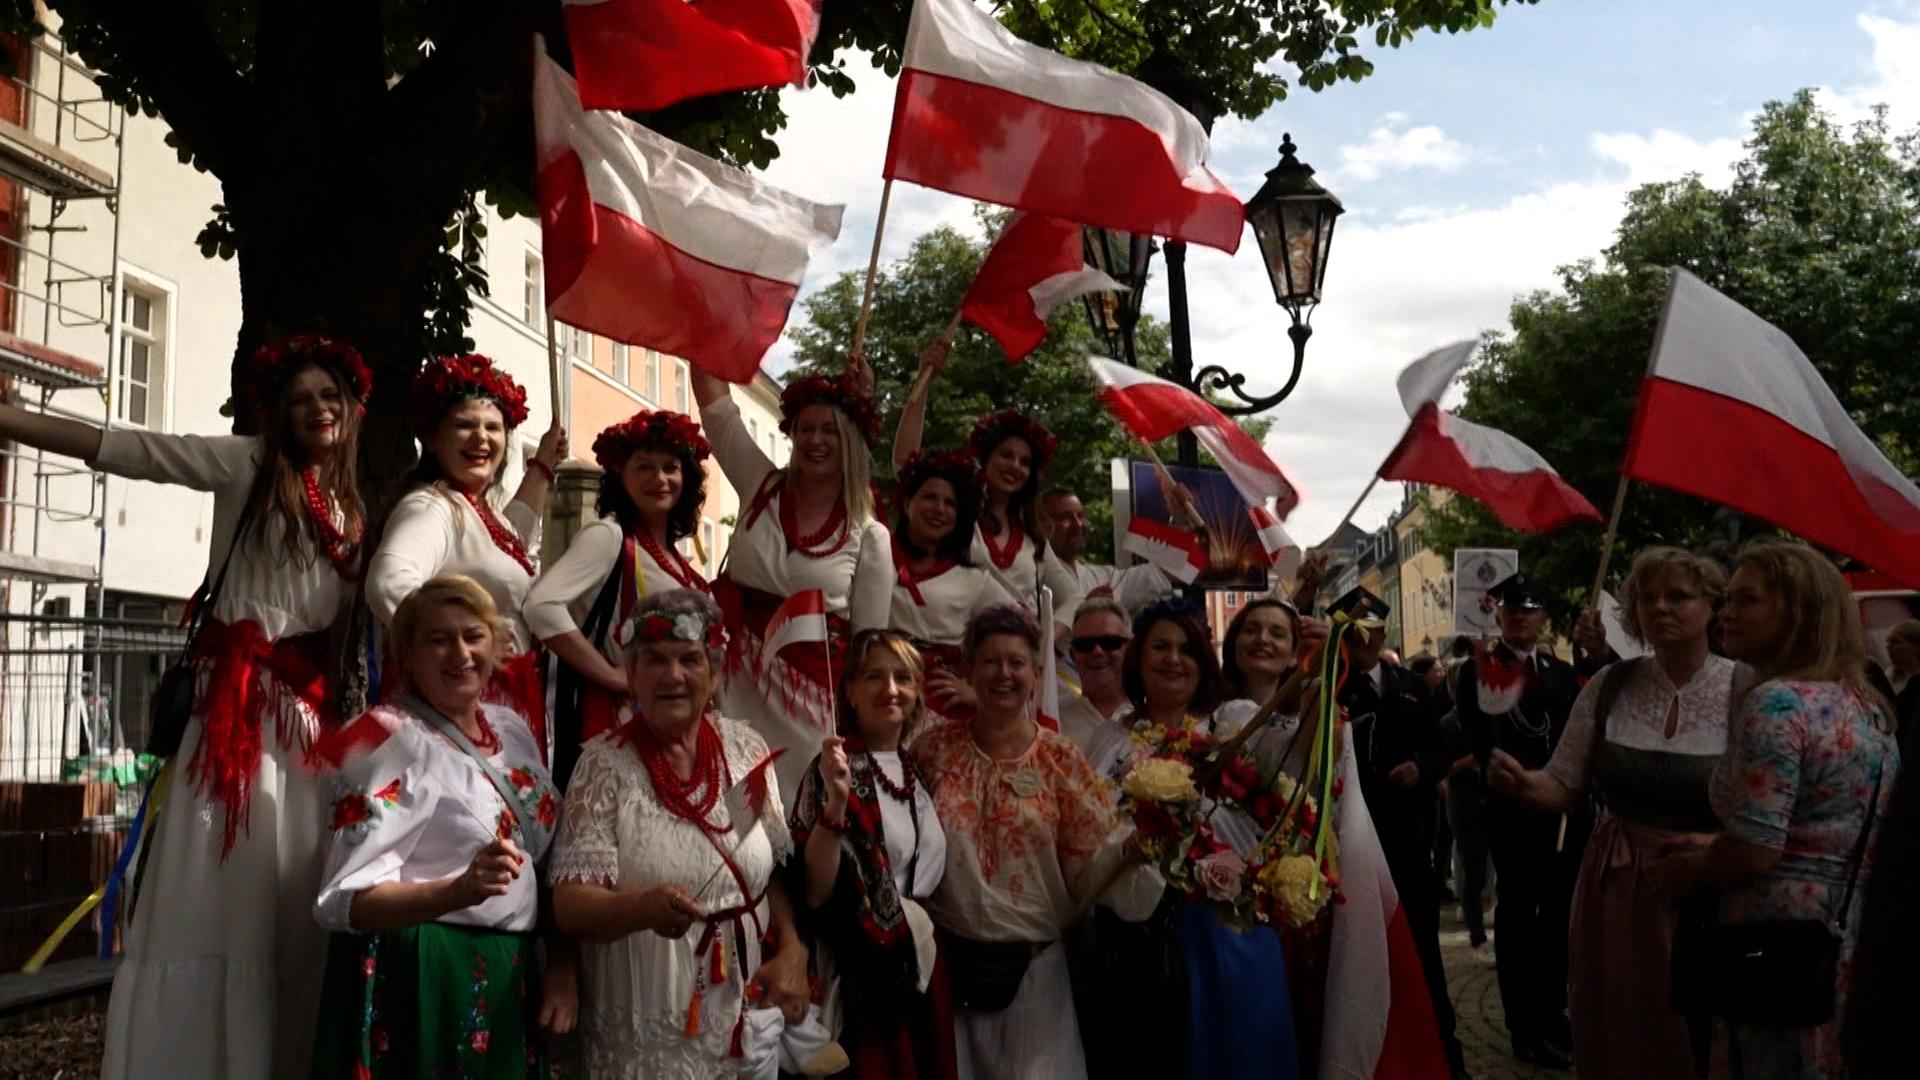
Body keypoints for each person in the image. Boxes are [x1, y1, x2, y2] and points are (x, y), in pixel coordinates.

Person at [0, 333, 373, 1079]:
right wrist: (12, 419)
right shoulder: (245, 465)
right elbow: (129, 448)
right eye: (300, 398)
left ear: (352, 406)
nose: (317, 408)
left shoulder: (355, 509)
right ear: (277, 412)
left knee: (290, 896)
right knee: (219, 890)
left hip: (302, 727)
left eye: (329, 395)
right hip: (235, 714)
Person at [1649, 540, 1899, 1080]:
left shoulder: (1778, 702)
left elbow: (1757, 853)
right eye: (1727, 599)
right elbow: (1822, 827)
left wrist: (1688, 870)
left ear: (1798, 610)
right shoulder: (1865, 704)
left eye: (1747, 600)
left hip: (1772, 943)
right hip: (1844, 932)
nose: (1725, 613)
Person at [1487, 547, 1738, 1079]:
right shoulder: (1611, 685)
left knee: (1700, 1033)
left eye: (1678, 596)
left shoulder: (1746, 689)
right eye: (1648, 597)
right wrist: (1524, 783)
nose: (1661, 607)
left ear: (1713, 606)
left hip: (1710, 888)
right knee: (1625, 1023)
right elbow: (1563, 784)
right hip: (1619, 889)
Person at [309, 576, 570, 1079]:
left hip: (509, 972)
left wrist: (562, 962)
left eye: (473, 636)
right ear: (407, 655)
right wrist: (456, 890)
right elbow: (342, 901)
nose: (461, 654)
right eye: (439, 639)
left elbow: (547, 860)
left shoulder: (511, 727)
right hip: (426, 977)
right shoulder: (377, 737)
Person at [550, 589, 813, 1079]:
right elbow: (569, 906)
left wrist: (793, 946)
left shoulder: (745, 749)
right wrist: (640, 909)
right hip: (645, 1018)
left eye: (690, 659)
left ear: (713, 674)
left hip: (742, 1015)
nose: (673, 675)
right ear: (631, 674)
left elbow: (766, 868)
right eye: (654, 659)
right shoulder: (602, 767)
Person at [916, 605, 1157, 1080]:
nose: (1003, 674)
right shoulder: (931, 750)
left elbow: (1095, 859)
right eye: (990, 661)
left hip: (1035, 978)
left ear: (1036, 673)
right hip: (954, 973)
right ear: (969, 670)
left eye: (1016, 662)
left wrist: (1139, 849)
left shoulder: (1059, 757)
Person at [1107, 600, 1301, 1080]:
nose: (1174, 659)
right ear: (1138, 657)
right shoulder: (1110, 737)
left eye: (1188, 649)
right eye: (1161, 647)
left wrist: (1317, 678)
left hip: (1228, 930)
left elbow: (1292, 754)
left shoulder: (1233, 721)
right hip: (1138, 939)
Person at [694, 368, 893, 798]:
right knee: (730, 806)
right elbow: (717, 407)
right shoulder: (759, 483)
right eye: (806, 428)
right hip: (734, 687)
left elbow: (869, 646)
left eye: (830, 430)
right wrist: (706, 334)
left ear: (849, 439)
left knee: (798, 810)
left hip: (812, 708)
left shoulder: (868, 532)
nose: (815, 440)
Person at [366, 354, 567, 733]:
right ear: (432, 438)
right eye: (464, 425)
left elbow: (512, 538)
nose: (481, 438)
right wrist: (461, 649)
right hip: (456, 710)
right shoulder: (431, 506)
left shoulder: (479, 511)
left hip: (493, 704)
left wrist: (542, 465)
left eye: (494, 428)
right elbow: (388, 584)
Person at [789, 629, 957, 1079]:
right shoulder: (832, 769)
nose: (890, 689)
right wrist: (836, 806)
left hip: (920, 963)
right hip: (863, 971)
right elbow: (814, 892)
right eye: (874, 677)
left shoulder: (915, 768)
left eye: (903, 677)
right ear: (850, 691)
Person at [525, 409, 711, 785]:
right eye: (644, 468)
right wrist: (613, 676)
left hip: (672, 725)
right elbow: (541, 607)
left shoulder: (678, 558)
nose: (660, 478)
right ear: (620, 477)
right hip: (621, 723)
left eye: (670, 467)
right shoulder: (609, 536)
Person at [1328, 587, 1464, 1079]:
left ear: (1384, 633)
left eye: (1371, 633)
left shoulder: (1411, 685)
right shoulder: (1331, 686)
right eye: (1354, 634)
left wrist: (1421, 768)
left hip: (1409, 839)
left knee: (1423, 952)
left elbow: (1440, 748)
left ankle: (1445, 1056)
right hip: (1354, 841)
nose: (1364, 642)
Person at [1457, 571, 1585, 1070]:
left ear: (1543, 618)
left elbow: (1574, 729)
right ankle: (1524, 1028)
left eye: (1530, 611)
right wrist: (1513, 779)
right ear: (1500, 616)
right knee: (1518, 920)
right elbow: (1479, 737)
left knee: (1557, 919)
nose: (1521, 619)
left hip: (1560, 812)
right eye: (1512, 611)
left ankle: (1554, 1015)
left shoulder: (1559, 672)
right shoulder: (1481, 670)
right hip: (1512, 812)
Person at [891, 341, 1079, 630]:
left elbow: (1074, 597)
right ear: (985, 458)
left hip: (1019, 651)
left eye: (1025, 462)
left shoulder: (1032, 534)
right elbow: (905, 465)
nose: (1015, 466)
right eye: (1006, 455)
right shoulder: (959, 517)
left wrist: (1045, 638)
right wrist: (923, 382)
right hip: (960, 644)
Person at [888, 449, 1014, 720]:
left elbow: (1022, 634)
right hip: (885, 699)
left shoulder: (974, 581)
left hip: (943, 711)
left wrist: (980, 692)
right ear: (908, 503)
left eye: (950, 503)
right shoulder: (879, 561)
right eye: (929, 497)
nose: (939, 509)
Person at [1039, 486, 1176, 618]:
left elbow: (1164, 571)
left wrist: (1178, 516)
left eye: (1080, 516)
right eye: (1065, 518)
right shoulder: (1034, 576)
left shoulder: (1103, 578)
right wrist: (1088, 607)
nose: (1078, 524)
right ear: (1040, 525)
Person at [1057, 598, 1136, 780]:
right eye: (1085, 645)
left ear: (1130, 649)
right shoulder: (1054, 720)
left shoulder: (1152, 717)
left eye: (1110, 642)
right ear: (1073, 655)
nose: (1097, 651)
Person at [1881, 619, 1919, 759]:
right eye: (1888, 643)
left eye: (1896, 642)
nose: (1889, 648)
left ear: (1915, 647)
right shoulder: (1888, 677)